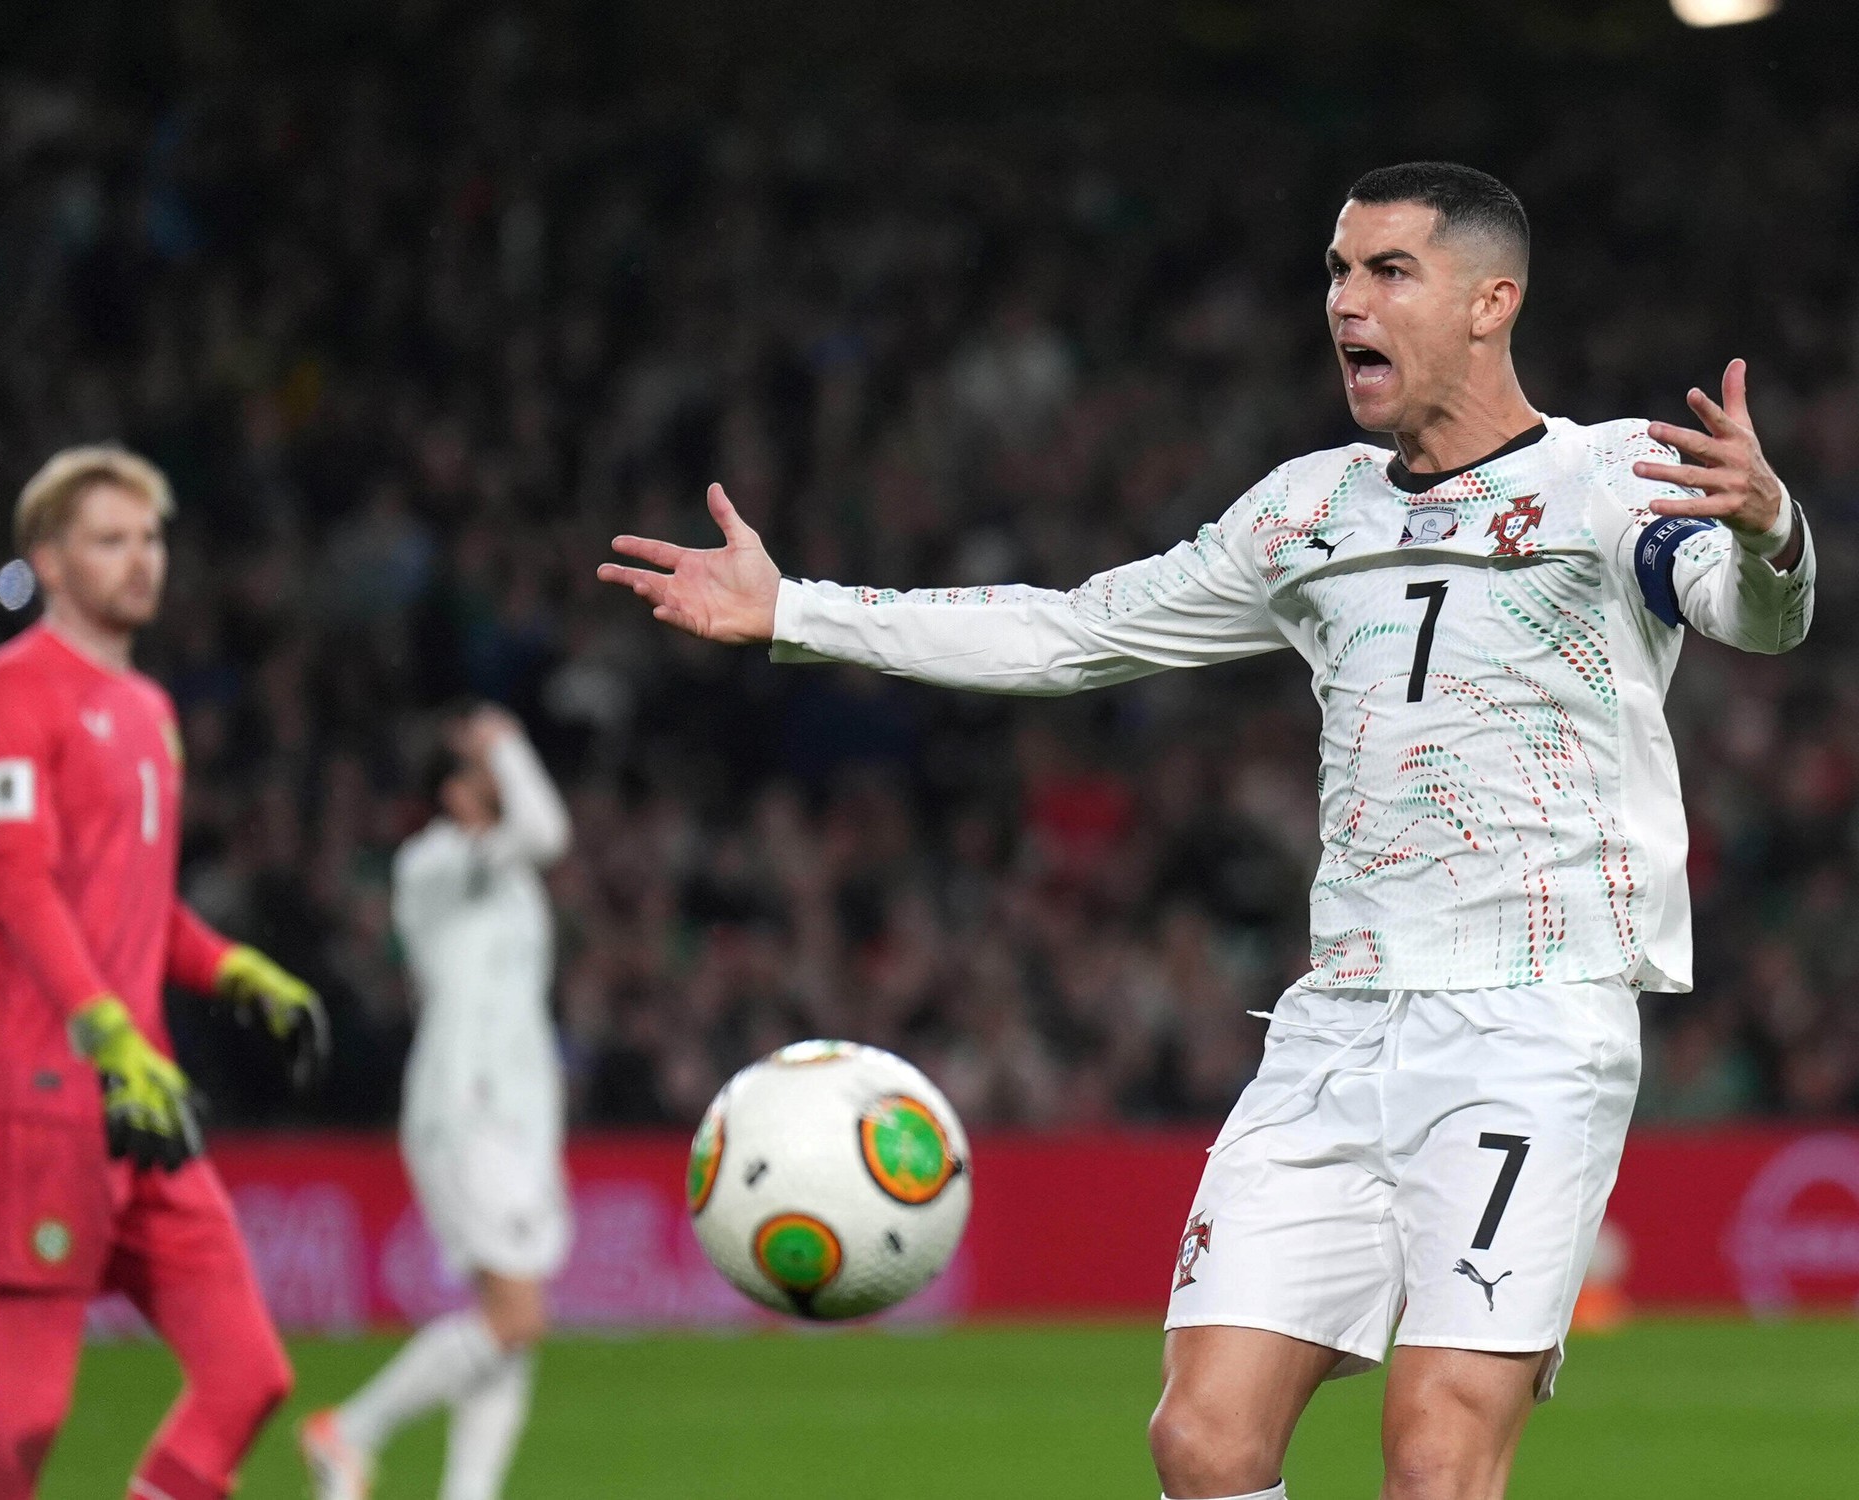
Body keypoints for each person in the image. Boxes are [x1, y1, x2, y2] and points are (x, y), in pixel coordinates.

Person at [598, 162, 1815, 1500]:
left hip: (1532, 1022)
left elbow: (1753, 615)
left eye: (1388, 272)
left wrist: (1772, 533)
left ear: (1490, 302)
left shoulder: (1607, 475)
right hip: (1341, 1021)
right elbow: (1074, 632)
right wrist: (797, 610)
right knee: (1203, 1443)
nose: (1346, 301)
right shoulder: (1305, 511)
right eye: (1337, 272)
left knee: (1436, 1461)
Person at [0, 445, 329, 1500]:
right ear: (48, 561)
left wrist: (236, 970)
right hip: (33, 1095)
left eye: (150, 537)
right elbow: (16, 882)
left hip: (141, 1097)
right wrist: (104, 1029)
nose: (140, 559)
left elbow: (137, 905)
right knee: (22, 1421)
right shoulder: (5, 694)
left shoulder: (151, 708)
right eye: (109, 540)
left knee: (247, 1378)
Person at [301, 704, 571, 1500]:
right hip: (466, 1105)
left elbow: (536, 840)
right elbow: (549, 831)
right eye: (484, 770)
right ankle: (350, 1431)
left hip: (519, 1113)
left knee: (510, 1327)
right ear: (454, 792)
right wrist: (509, 742)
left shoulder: (509, 879)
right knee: (516, 1316)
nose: (504, 778)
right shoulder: (434, 864)